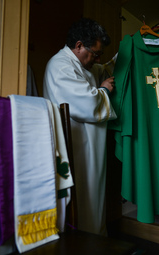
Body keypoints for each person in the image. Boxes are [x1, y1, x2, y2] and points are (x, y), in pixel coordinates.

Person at [43, 18, 117, 235]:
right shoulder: (60, 65)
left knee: (94, 197)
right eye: (95, 53)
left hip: (91, 146)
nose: (97, 58)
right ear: (78, 46)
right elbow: (85, 103)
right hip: (76, 147)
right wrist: (103, 91)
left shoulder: (84, 63)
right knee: (84, 197)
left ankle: (96, 238)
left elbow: (102, 70)